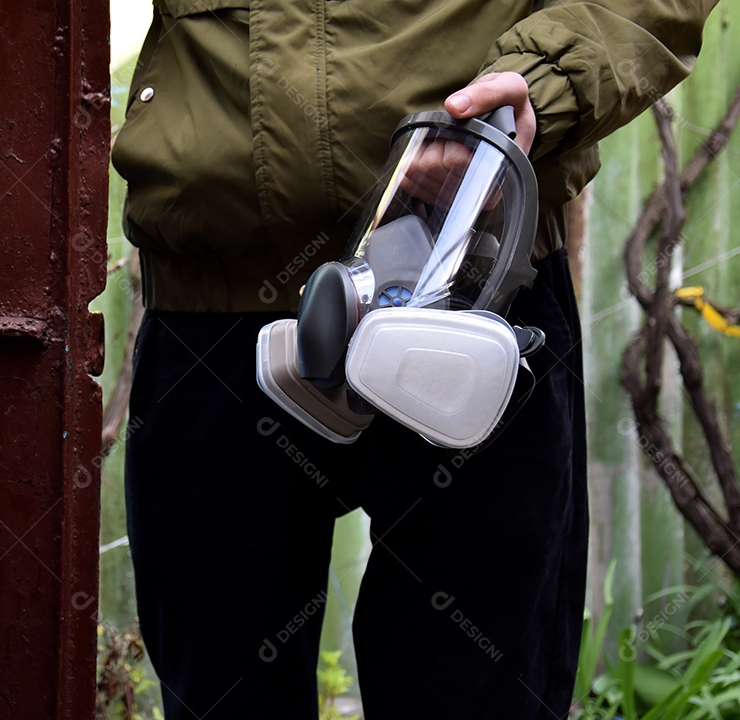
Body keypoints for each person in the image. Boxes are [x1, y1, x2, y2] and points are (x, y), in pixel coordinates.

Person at [111, 2, 713, 718]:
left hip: (477, 277)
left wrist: (541, 78)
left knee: (478, 695)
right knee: (219, 695)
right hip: (214, 298)